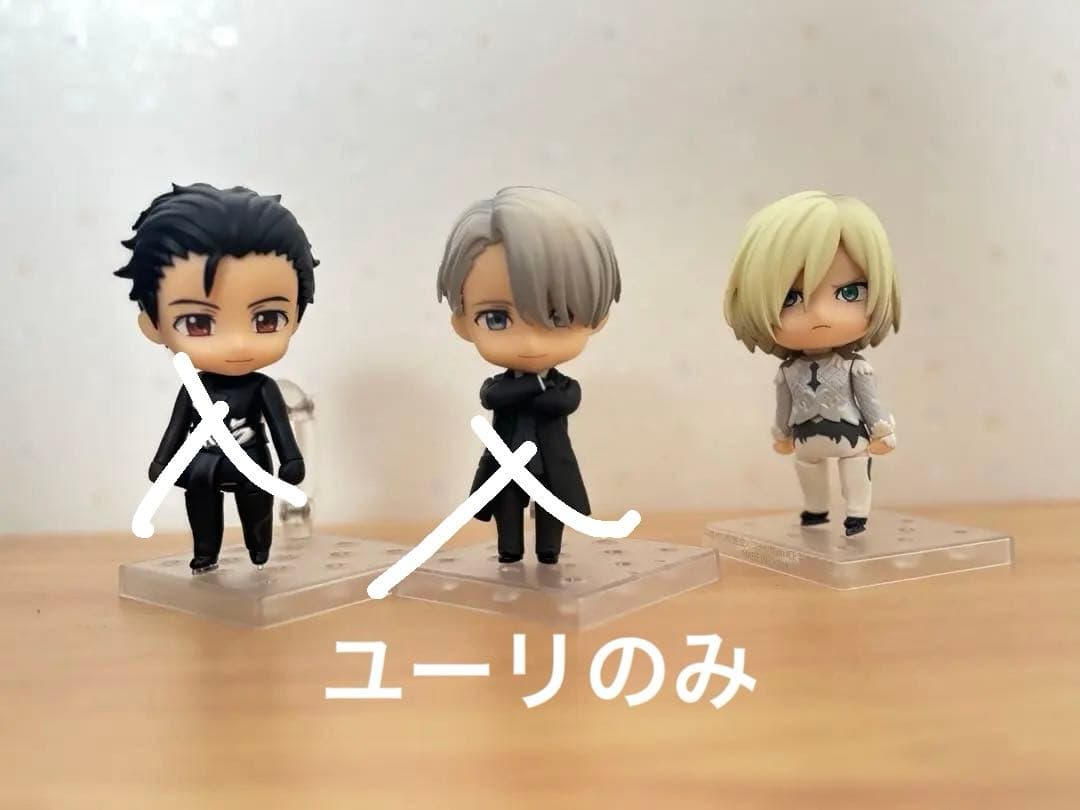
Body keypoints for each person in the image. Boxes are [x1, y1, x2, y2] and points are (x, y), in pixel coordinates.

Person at [116, 183, 316, 571]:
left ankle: (259, 550)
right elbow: (176, 428)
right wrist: (163, 462)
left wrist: (290, 459)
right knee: (202, 509)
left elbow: (280, 427)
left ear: (296, 316)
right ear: (153, 326)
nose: (237, 343)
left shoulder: (262, 388)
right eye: (198, 323)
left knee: (257, 508)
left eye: (267, 319)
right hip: (204, 463)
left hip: (252, 461)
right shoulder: (194, 389)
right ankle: (205, 553)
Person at [436, 186, 621, 563]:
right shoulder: (503, 388)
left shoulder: (561, 388)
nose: (531, 342)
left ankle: (549, 553)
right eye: (496, 319)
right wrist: (533, 388)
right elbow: (493, 397)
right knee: (507, 512)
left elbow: (564, 401)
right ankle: (510, 552)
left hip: (552, 467)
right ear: (462, 323)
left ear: (597, 319)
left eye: (558, 316)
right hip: (505, 466)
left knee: (553, 511)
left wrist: (533, 390)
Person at [723, 191, 901, 535]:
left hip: (850, 434)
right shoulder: (788, 372)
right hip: (806, 436)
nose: (819, 314)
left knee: (855, 467)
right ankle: (816, 510)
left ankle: (856, 514)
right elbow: (784, 404)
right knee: (808, 468)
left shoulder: (856, 368)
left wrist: (881, 430)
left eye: (849, 292)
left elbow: (869, 401)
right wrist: (782, 433)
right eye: (790, 298)